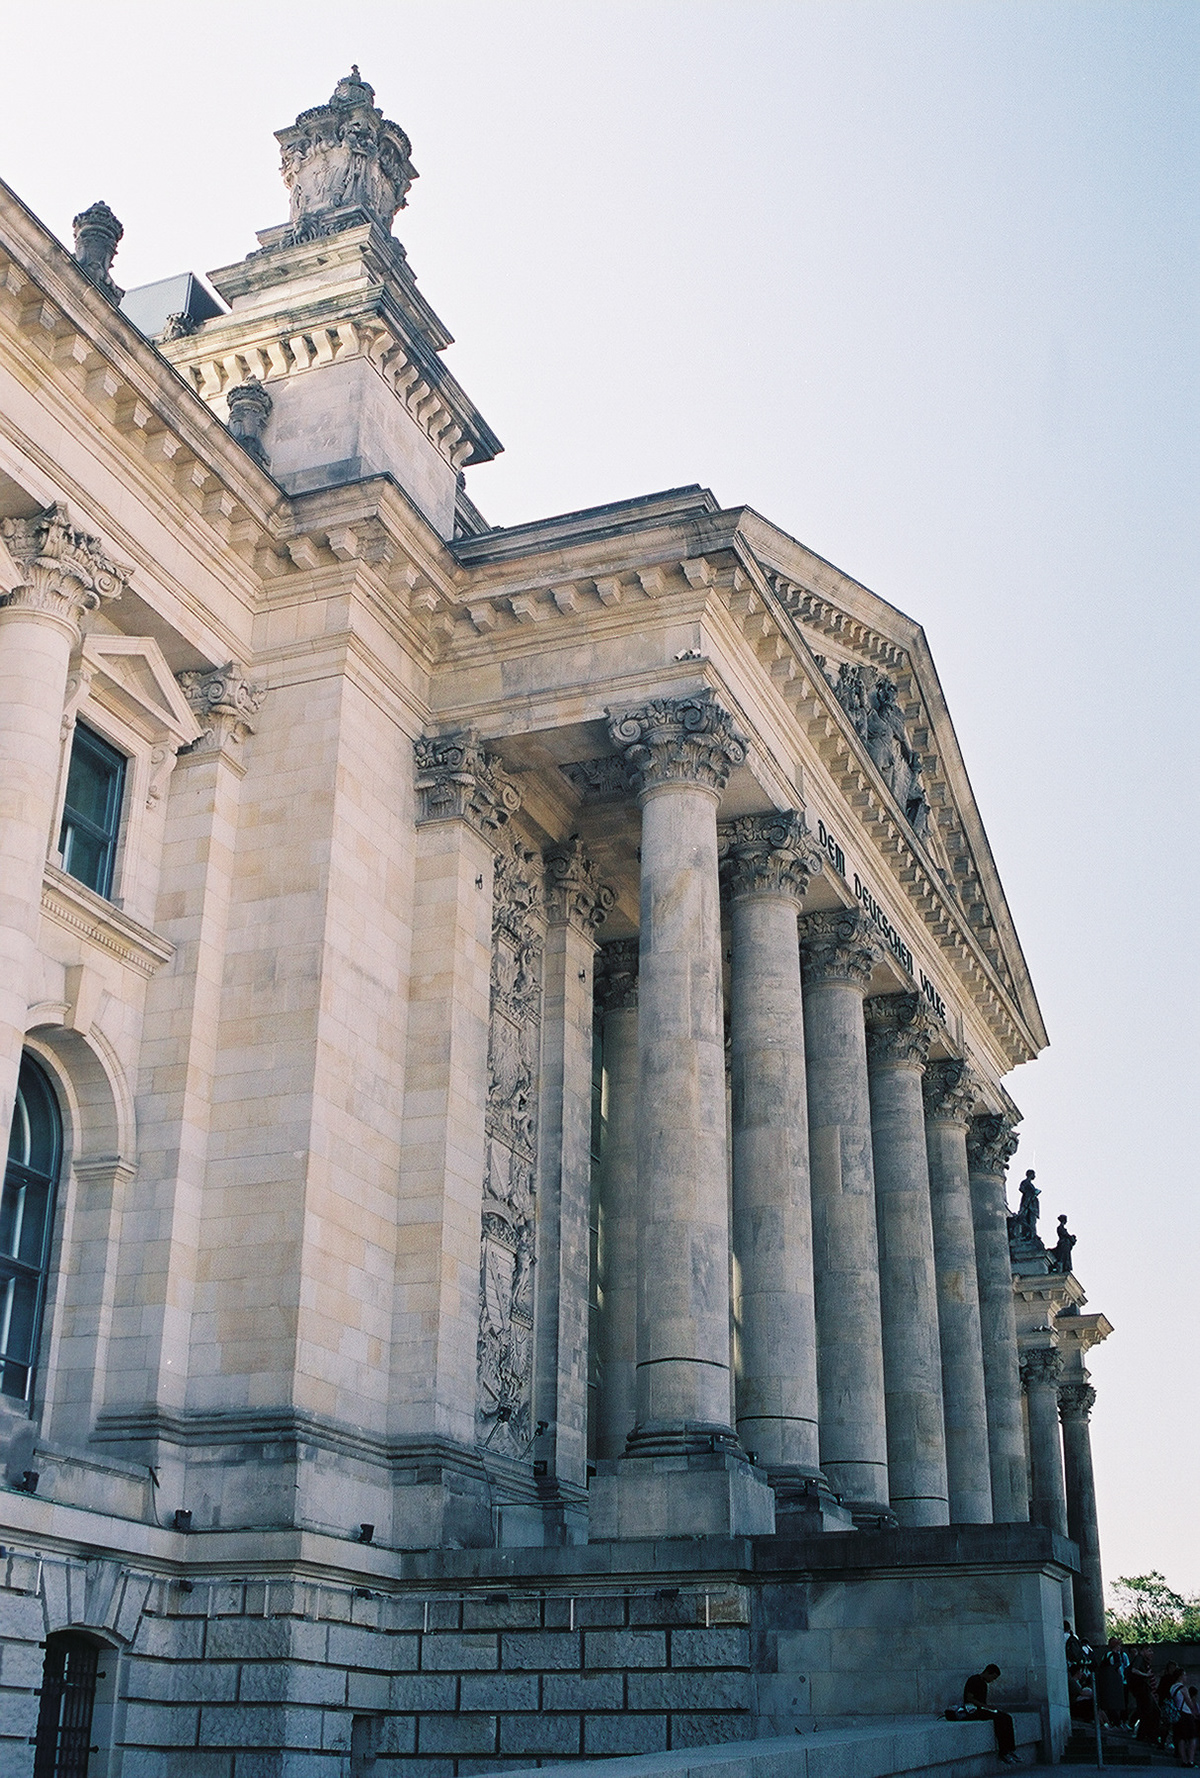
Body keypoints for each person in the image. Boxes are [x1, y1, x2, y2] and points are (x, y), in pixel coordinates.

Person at [964, 1665, 1019, 1765]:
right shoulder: (974, 1680)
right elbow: (969, 1698)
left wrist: (988, 1707)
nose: (992, 1680)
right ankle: (1003, 1752)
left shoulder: (984, 1684)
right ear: (987, 1672)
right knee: (999, 1719)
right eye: (993, 1677)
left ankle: (1011, 1749)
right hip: (972, 1710)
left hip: (982, 1709)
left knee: (1007, 1717)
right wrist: (984, 1706)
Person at [1128, 1648, 1161, 1743]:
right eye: (1149, 1651)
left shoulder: (1142, 1660)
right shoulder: (1139, 1659)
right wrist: (1146, 1675)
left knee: (1149, 1712)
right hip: (1142, 1689)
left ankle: (1145, 1734)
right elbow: (1134, 1670)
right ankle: (1147, 1735)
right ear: (1144, 1651)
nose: (1152, 1653)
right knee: (1148, 1712)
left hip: (1143, 1689)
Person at [1169, 1675, 1199, 1767]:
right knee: (1192, 1737)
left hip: (1177, 1714)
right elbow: (1188, 1701)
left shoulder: (1172, 1688)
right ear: (1181, 1676)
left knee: (1181, 1738)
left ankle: (1184, 1760)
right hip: (1186, 1714)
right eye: (1185, 1675)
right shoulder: (1183, 1688)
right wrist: (1194, 1712)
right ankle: (1190, 1760)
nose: (1186, 1677)